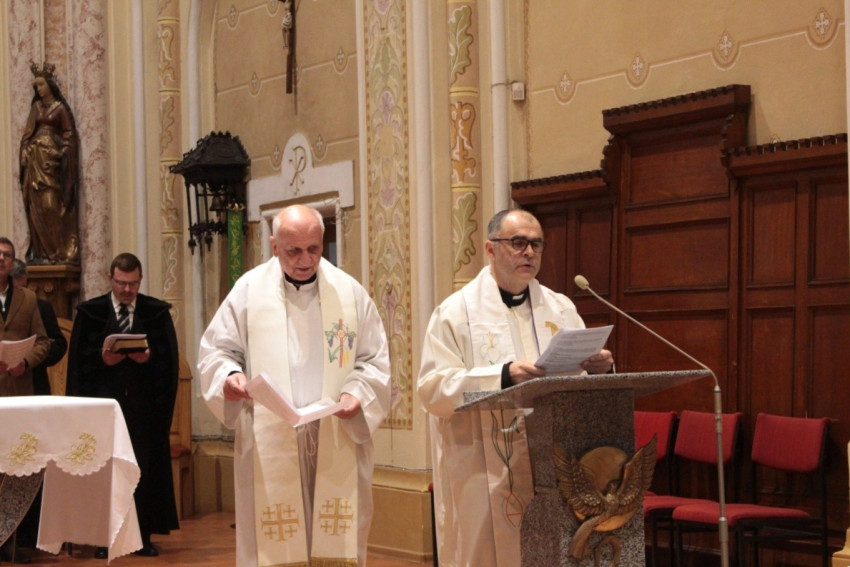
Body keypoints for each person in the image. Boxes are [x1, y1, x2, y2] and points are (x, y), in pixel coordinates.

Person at [417, 208, 614, 566]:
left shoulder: (561, 309)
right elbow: (433, 390)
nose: (529, 252)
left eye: (536, 244)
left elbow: (579, 384)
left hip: (551, 462)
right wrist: (503, 376)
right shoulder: (455, 313)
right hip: (483, 469)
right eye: (518, 243)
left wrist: (601, 369)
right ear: (490, 249)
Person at [198, 204, 391, 567]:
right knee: (274, 537)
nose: (306, 260)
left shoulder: (349, 293)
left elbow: (373, 359)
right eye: (294, 251)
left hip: (333, 432)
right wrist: (229, 376)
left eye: (314, 248)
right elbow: (217, 351)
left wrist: (357, 393)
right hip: (270, 437)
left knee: (335, 535)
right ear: (274, 246)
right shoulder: (248, 291)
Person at [66, 253, 179, 558]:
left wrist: (149, 357)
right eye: (121, 283)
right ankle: (106, 538)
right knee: (107, 471)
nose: (127, 290)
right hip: (103, 408)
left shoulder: (156, 312)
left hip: (144, 409)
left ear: (140, 280)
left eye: (133, 284)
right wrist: (103, 359)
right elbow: (78, 365)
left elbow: (169, 363)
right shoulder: (90, 313)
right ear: (110, 279)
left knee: (142, 470)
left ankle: (142, 537)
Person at [0, 237, 50, 564]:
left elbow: (44, 342)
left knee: (16, 468)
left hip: (18, 391)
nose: (1, 259)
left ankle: (10, 539)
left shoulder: (28, 299)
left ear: (12, 262)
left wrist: (26, 361)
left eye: (6, 255)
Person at [19, 61, 79, 264]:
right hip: (35, 163)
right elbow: (27, 134)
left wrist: (63, 152)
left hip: (52, 164)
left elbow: (69, 133)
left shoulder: (59, 108)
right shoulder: (36, 108)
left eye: (41, 84)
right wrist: (25, 151)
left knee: (51, 205)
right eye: (36, 86)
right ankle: (42, 252)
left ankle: (58, 251)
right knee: (37, 206)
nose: (38, 89)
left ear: (50, 85)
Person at [10, 259, 68, 394]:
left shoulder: (41, 306)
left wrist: (31, 358)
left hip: (35, 382)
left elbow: (59, 345)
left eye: (23, 287)